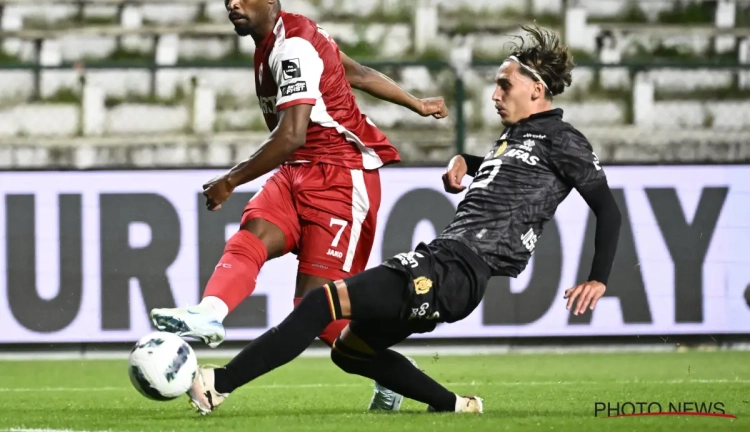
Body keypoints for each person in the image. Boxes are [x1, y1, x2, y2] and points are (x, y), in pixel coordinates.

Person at [183, 25, 623, 415]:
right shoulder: (516, 138)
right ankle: (457, 406)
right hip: (449, 268)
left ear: (537, 90)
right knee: (349, 352)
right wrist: (466, 162)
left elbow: (607, 208)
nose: (495, 95)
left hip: (455, 269)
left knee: (319, 304)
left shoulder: (564, 140)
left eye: (504, 85)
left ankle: (219, 384)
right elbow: (506, 172)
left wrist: (597, 278)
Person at [149, 0, 448, 411]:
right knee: (253, 234)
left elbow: (291, 135)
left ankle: (389, 372)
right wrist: (417, 103)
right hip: (299, 171)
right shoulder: (282, 39)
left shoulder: (293, 48)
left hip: (341, 178)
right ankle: (210, 312)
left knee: (320, 314)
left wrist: (230, 180)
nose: (232, 2)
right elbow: (355, 72)